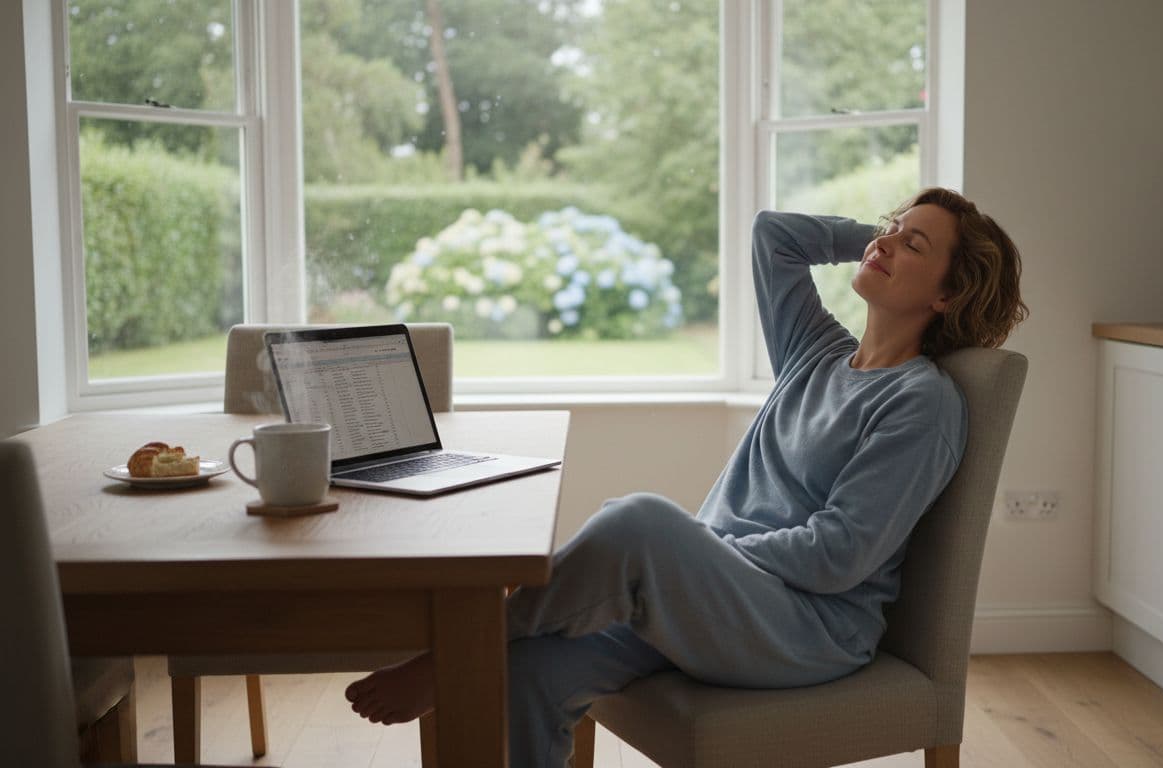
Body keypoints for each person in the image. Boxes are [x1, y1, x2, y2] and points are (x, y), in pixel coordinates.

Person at [344, 186, 1027, 766]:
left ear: (948, 294)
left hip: (808, 629)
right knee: (531, 671)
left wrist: (705, 556)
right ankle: (489, 645)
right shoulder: (816, 355)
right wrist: (878, 238)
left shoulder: (921, 401)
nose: (885, 245)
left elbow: (840, 554)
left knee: (640, 521)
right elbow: (775, 236)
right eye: (891, 229)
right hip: (723, 601)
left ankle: (462, 650)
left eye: (915, 246)